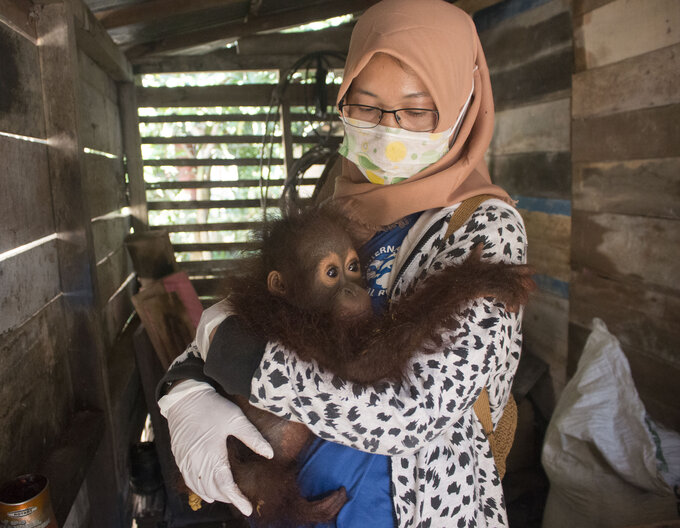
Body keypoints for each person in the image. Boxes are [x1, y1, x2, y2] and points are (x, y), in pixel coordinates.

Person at [157, 0, 527, 526]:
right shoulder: (335, 209)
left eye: (418, 111)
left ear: (463, 106)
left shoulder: (483, 232)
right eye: (366, 106)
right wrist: (183, 388)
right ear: (343, 100)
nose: (388, 131)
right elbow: (249, 319)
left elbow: (412, 414)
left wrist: (240, 359)